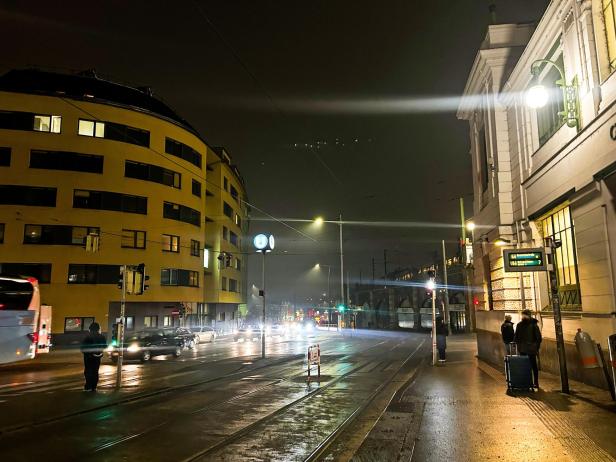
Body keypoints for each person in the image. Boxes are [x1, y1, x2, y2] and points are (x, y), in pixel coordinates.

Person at [514, 309, 542, 389]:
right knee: (525, 366)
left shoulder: (533, 325)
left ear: (528, 315)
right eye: (522, 315)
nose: (523, 316)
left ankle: (535, 382)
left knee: (533, 366)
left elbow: (538, 338)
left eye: (524, 315)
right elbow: (516, 337)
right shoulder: (519, 325)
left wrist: (535, 347)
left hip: (531, 349)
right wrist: (518, 345)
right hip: (523, 349)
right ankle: (527, 382)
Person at [80, 322, 107, 392]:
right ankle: (94, 387)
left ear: (90, 329)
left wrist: (86, 353)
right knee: (95, 371)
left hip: (88, 357)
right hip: (97, 357)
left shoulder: (87, 336)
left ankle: (88, 386)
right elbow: (104, 346)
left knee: (88, 371)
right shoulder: (102, 336)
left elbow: (83, 348)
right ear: (98, 329)